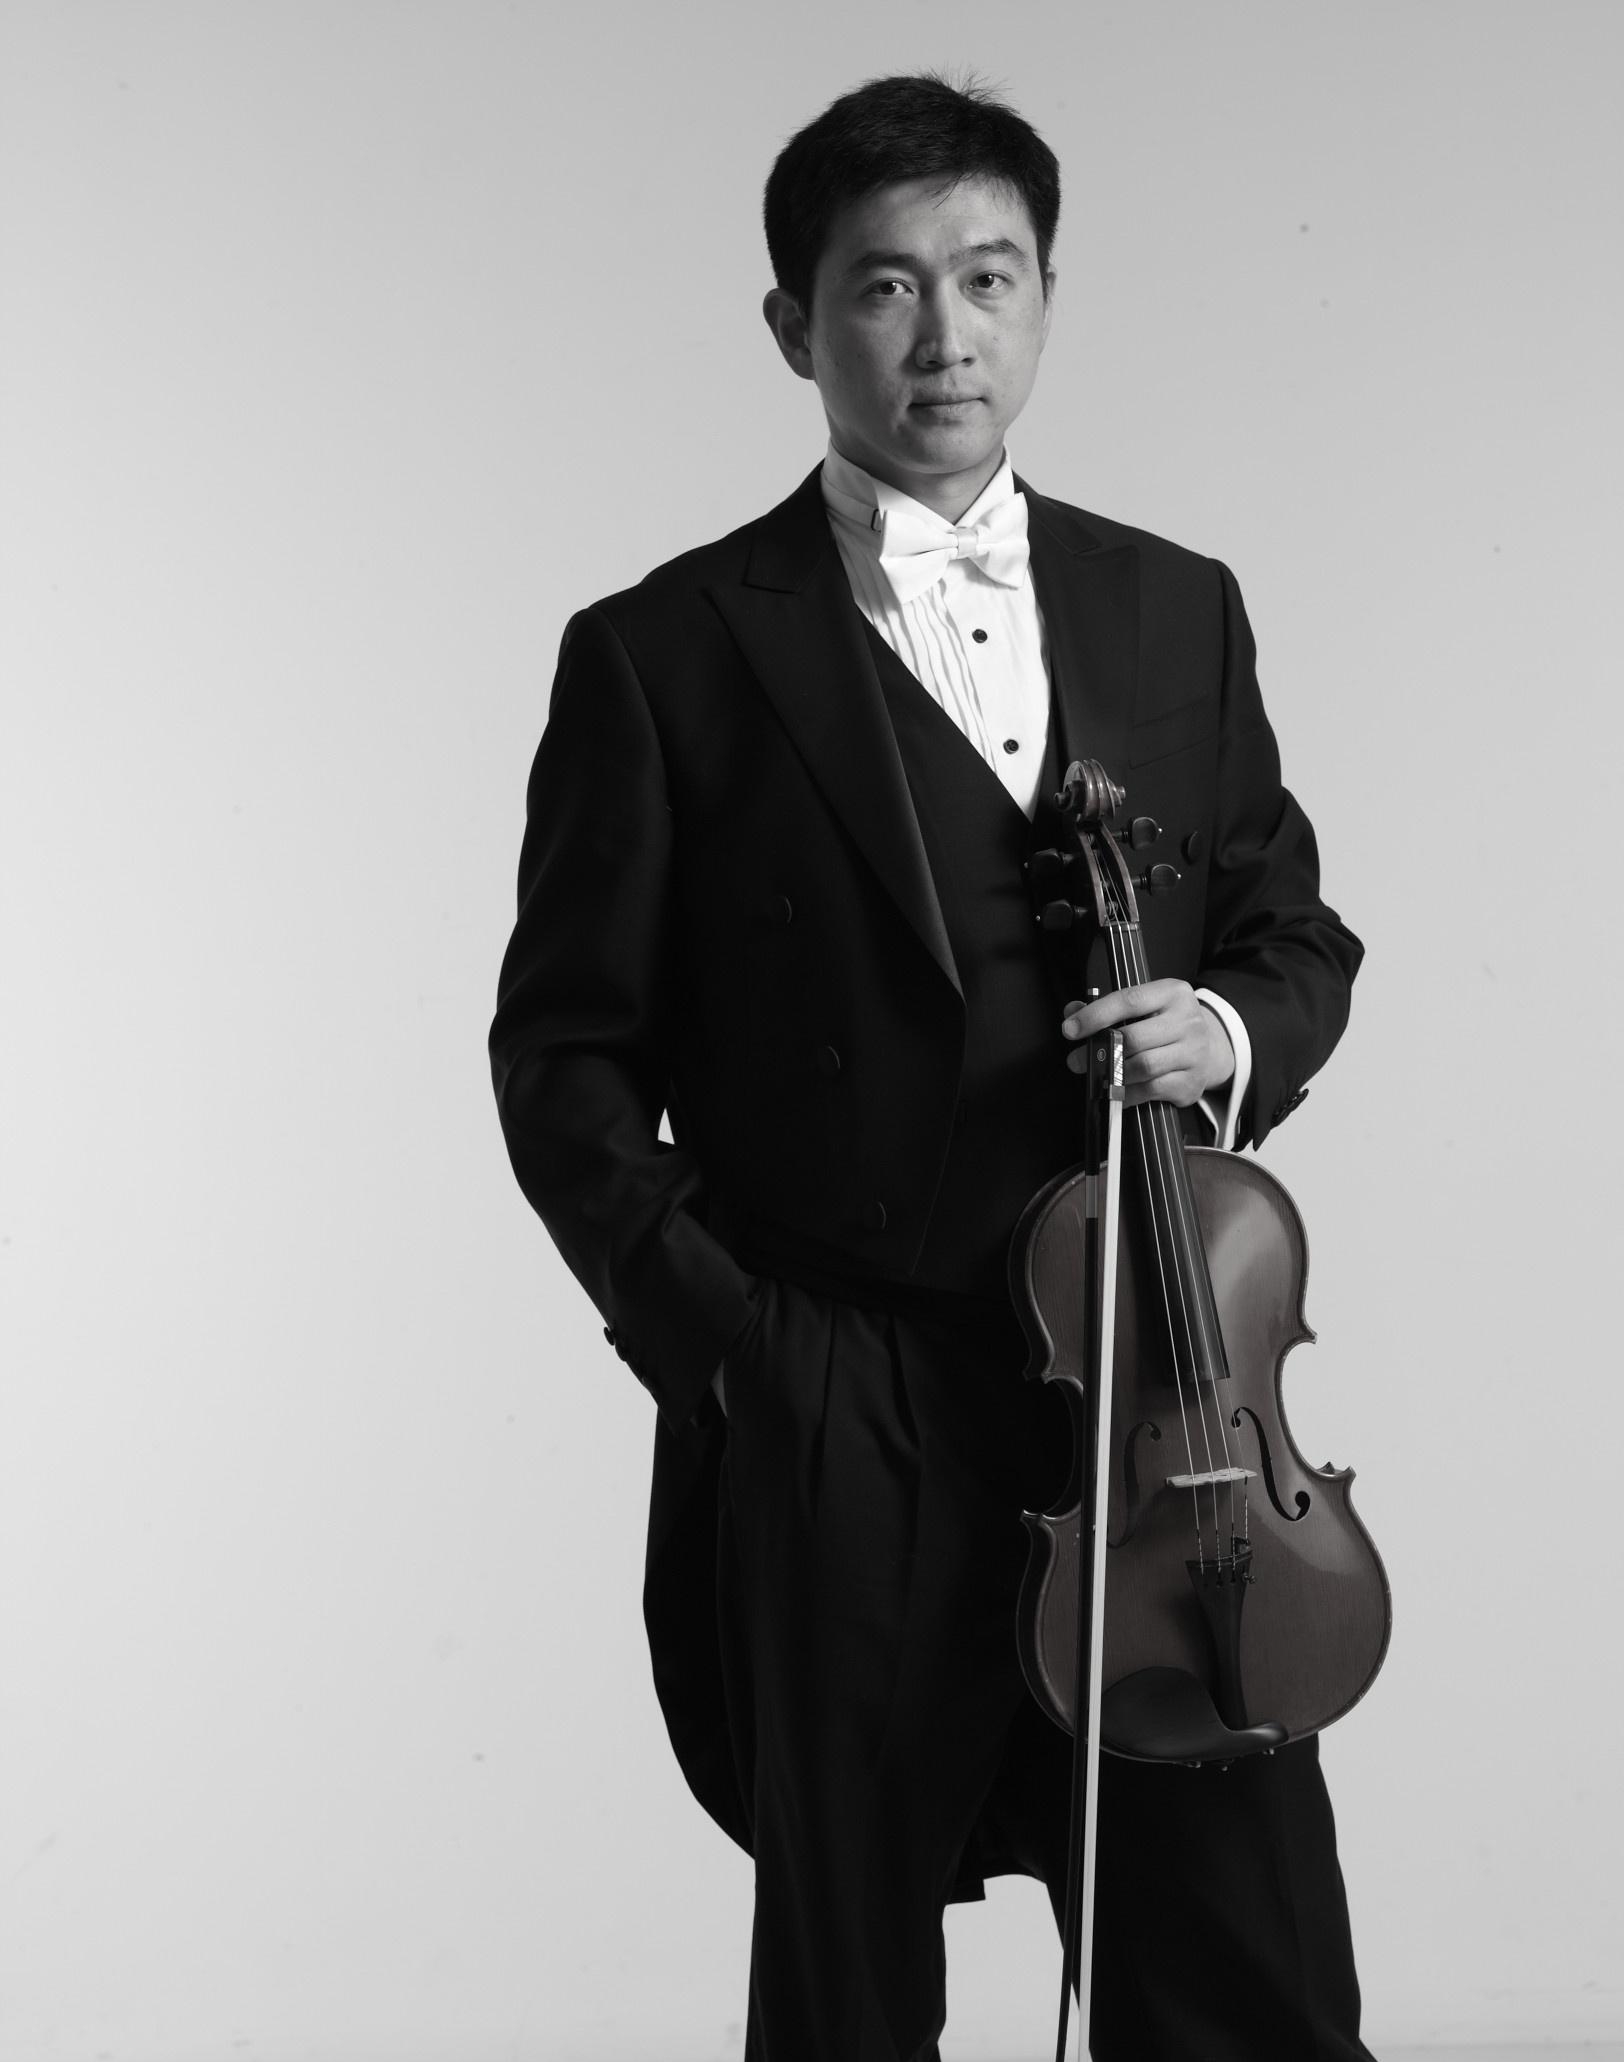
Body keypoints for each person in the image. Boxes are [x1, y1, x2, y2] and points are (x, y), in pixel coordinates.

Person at [491, 72, 1371, 2062]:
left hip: (1160, 1388)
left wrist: (1226, 1027)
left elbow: (1290, 933)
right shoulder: (661, 653)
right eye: (884, 286)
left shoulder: (1174, 605)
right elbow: (562, 1059)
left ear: (1045, 296)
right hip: (849, 1389)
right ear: (792, 324)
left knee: (1248, 1964)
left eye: (988, 278)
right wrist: (743, 1352)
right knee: (854, 1980)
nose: (944, 335)